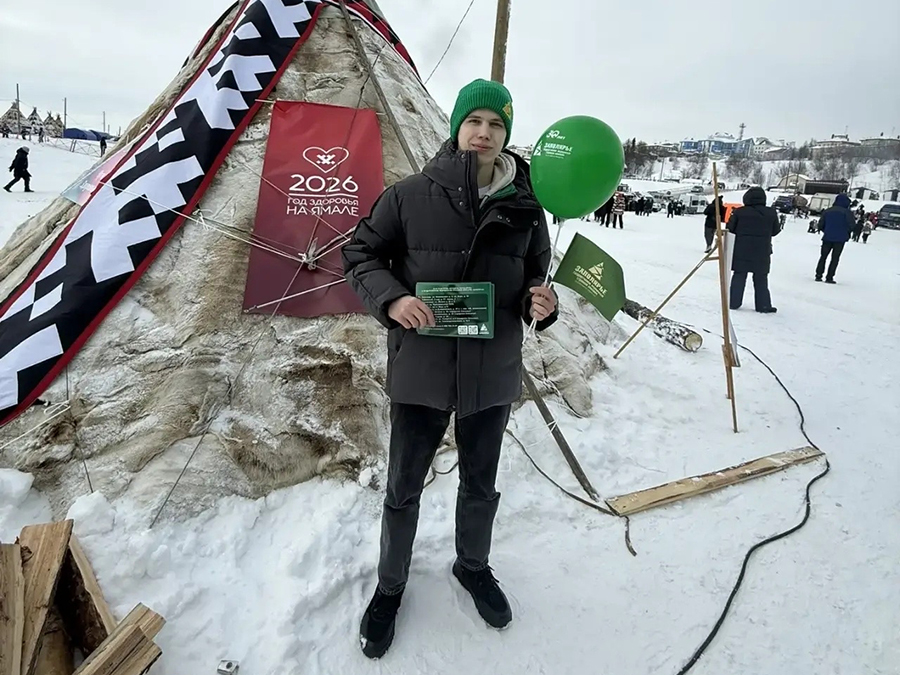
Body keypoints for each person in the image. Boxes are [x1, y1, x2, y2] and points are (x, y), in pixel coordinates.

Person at [342, 78, 559, 659]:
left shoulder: (528, 207)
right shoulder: (410, 195)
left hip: (492, 371)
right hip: (423, 367)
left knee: (481, 484)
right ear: (457, 127)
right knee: (403, 487)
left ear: (506, 135)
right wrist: (392, 299)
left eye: (496, 124)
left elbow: (537, 278)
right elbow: (359, 253)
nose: (484, 133)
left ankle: (472, 565)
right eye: (474, 121)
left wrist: (544, 304)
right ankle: (390, 587)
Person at [726, 186, 780, 313]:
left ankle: (733, 302)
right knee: (761, 278)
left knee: (739, 276)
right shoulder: (771, 213)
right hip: (762, 250)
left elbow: (730, 229)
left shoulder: (739, 212)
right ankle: (763, 305)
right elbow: (775, 231)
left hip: (741, 249)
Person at [815, 193, 855, 283]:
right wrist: (845, 232)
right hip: (840, 240)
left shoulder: (828, 211)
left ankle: (818, 275)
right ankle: (829, 277)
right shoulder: (848, 213)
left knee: (823, 257)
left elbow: (820, 225)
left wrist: (827, 231)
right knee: (835, 258)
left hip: (827, 237)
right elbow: (852, 226)